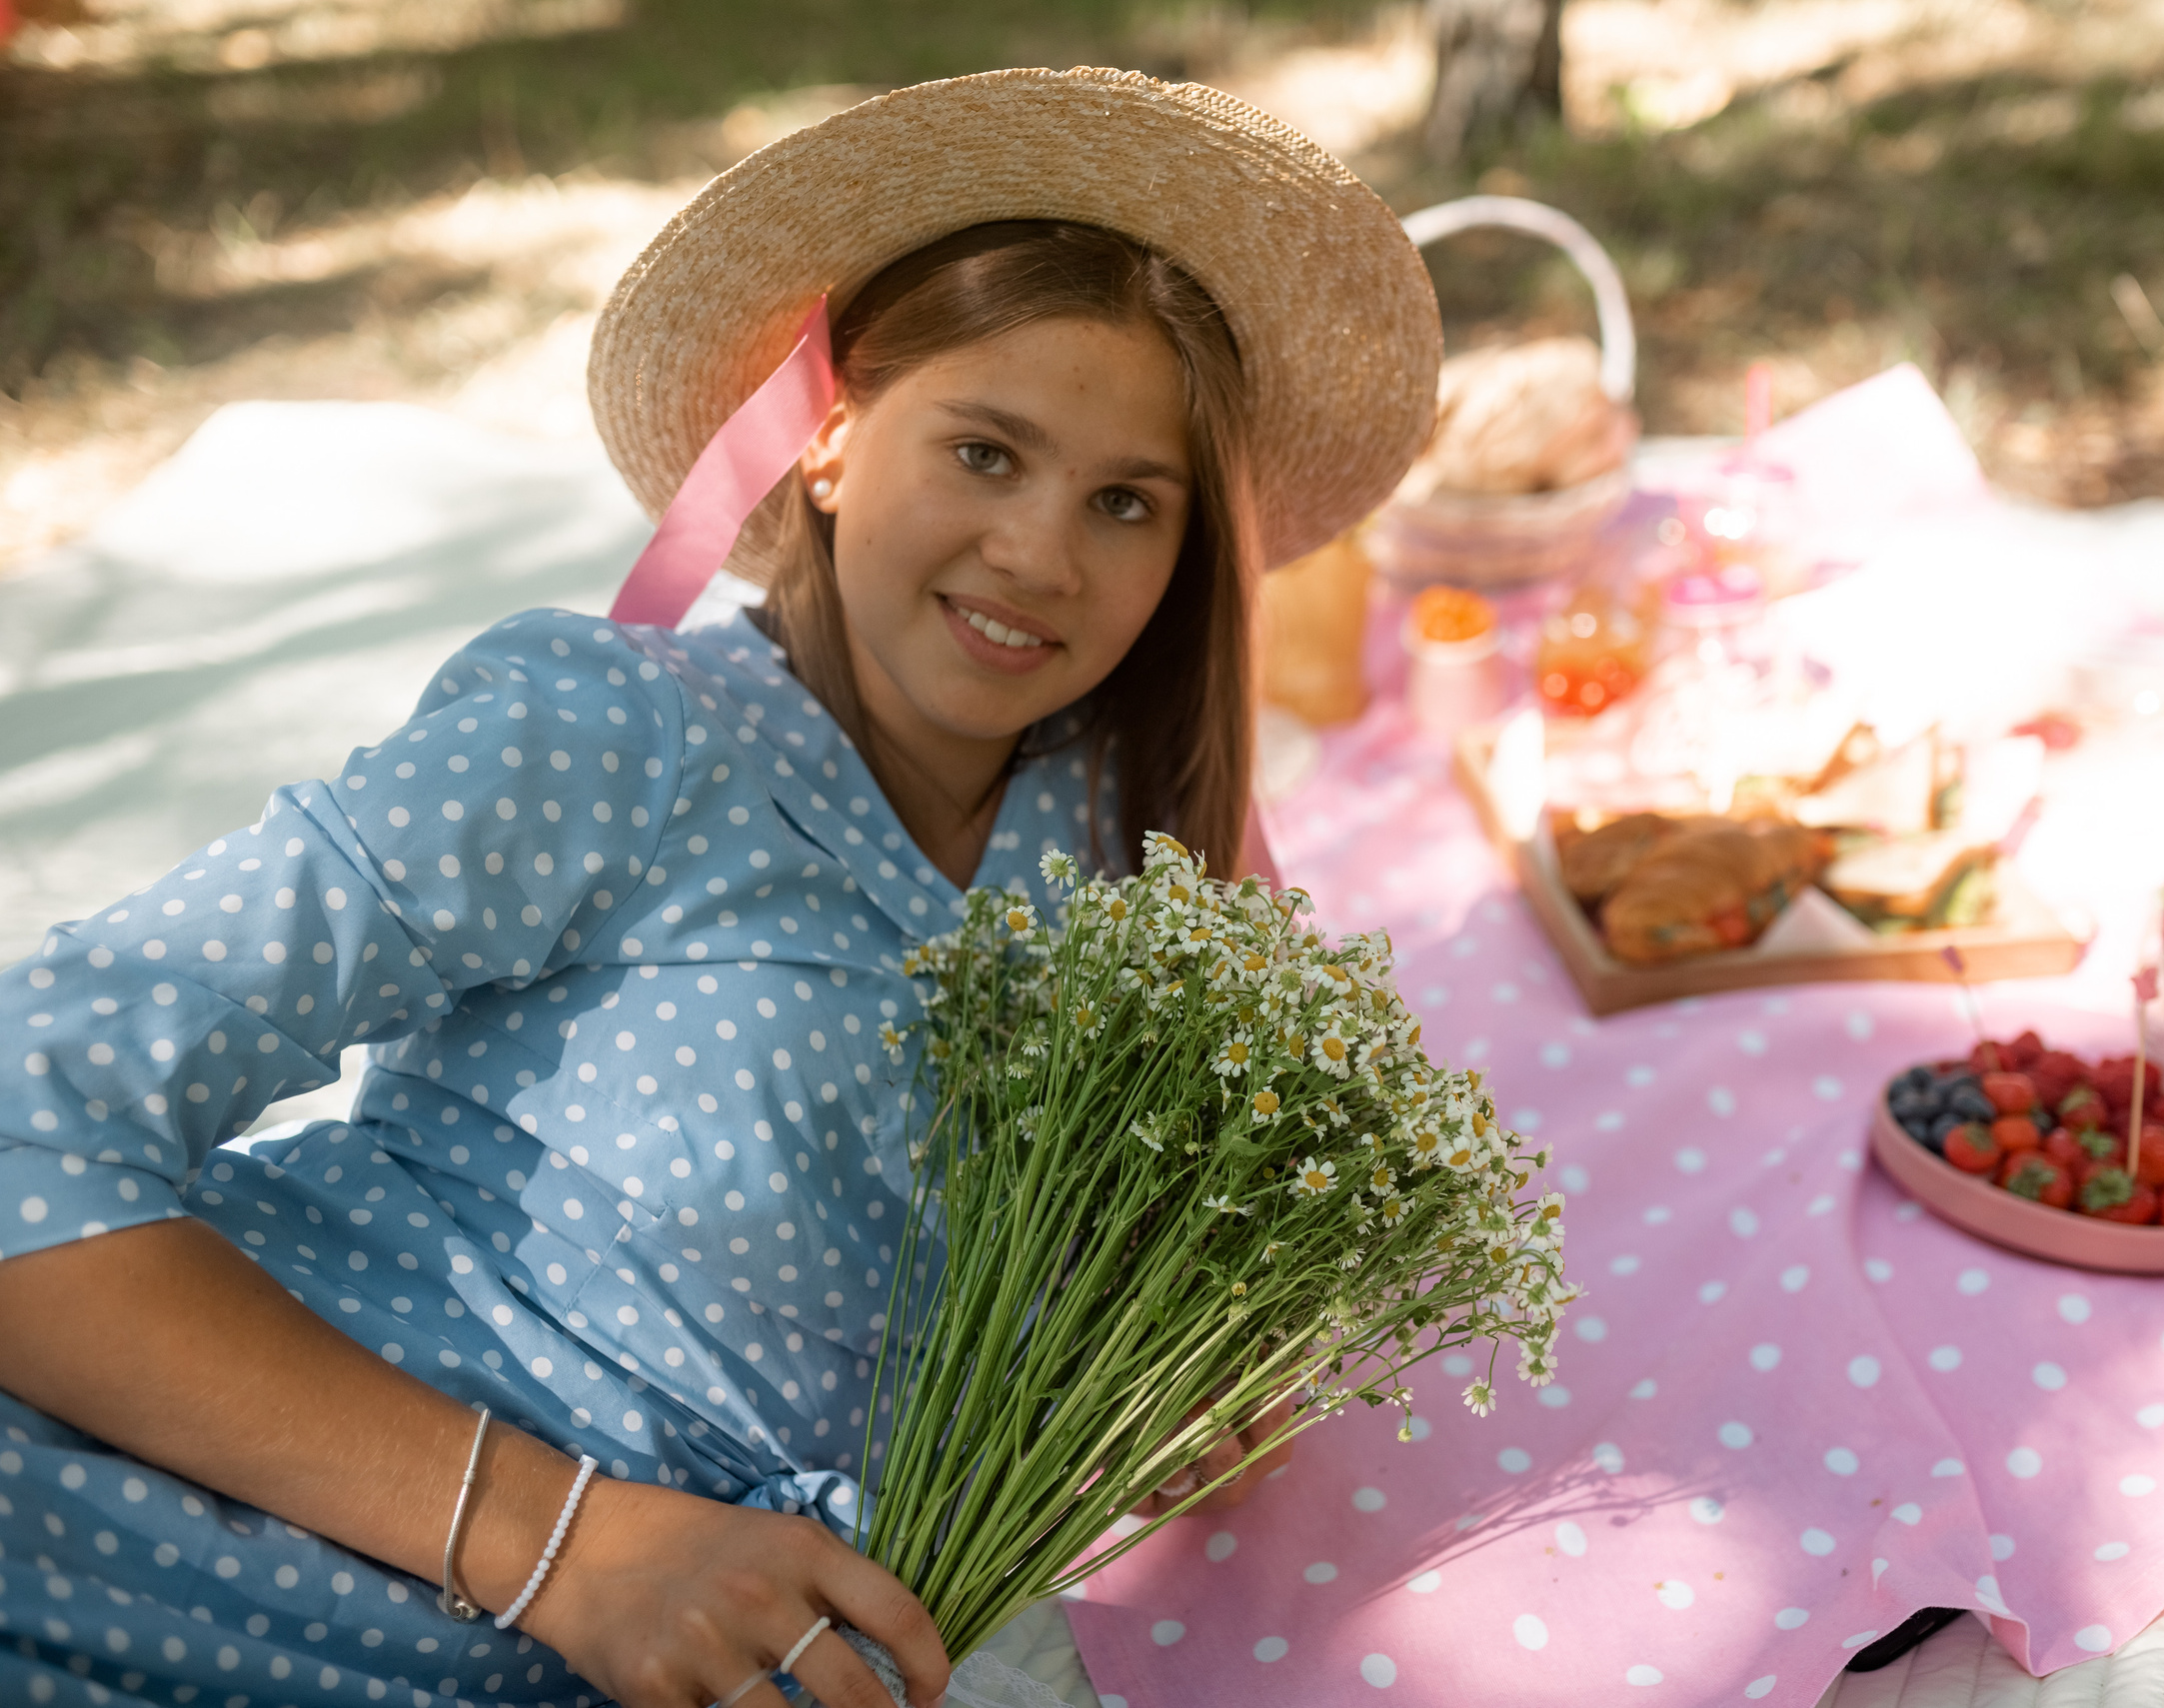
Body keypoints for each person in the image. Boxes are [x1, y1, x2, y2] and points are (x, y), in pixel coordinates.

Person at [0, 67, 1438, 1708]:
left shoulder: (1121, 861)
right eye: (983, 451)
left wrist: (1182, 1371)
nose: (1042, 554)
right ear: (827, 441)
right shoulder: (616, 736)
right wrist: (567, 1547)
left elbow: (1150, 1281)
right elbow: (21, 1123)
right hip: (133, 1534)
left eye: (1125, 500)